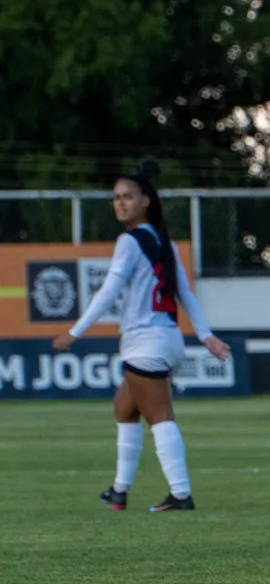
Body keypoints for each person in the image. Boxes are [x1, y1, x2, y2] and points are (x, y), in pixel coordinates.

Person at [52, 161, 231, 513]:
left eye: (127, 197)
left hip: (147, 341)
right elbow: (185, 293)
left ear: (145, 200)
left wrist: (74, 332)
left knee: (160, 416)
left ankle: (181, 494)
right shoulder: (163, 241)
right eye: (116, 198)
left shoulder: (130, 241)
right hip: (165, 340)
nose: (120, 203)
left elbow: (109, 291)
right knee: (125, 407)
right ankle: (119, 492)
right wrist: (205, 336)